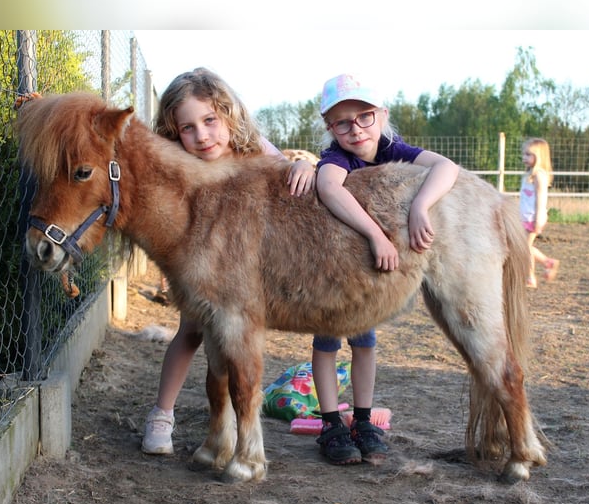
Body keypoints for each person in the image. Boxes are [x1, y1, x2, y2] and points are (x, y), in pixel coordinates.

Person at [142, 68, 315, 454]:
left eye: (209, 121)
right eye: (187, 128)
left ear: (227, 115)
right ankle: (162, 413)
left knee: (235, 340)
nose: (202, 136)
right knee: (190, 332)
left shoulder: (250, 149)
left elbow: (286, 167)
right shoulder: (178, 164)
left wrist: (305, 165)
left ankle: (230, 425)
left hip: (242, 270)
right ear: (174, 132)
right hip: (201, 268)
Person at [311, 74, 459, 465]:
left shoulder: (394, 149)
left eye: (364, 117)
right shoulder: (337, 158)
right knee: (326, 342)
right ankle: (330, 423)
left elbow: (446, 167)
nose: (355, 129)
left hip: (368, 276)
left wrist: (421, 205)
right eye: (342, 122)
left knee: (365, 341)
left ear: (381, 115)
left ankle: (362, 419)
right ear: (330, 127)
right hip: (333, 268)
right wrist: (377, 236)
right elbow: (329, 188)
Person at [519, 137, 559, 289]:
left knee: (525, 247)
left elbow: (541, 198)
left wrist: (539, 217)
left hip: (532, 217)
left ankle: (530, 277)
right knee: (525, 246)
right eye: (524, 154)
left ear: (539, 156)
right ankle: (547, 262)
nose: (524, 158)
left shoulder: (539, 175)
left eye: (528, 155)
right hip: (525, 216)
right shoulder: (529, 175)